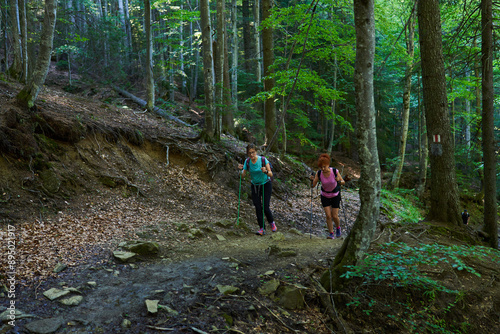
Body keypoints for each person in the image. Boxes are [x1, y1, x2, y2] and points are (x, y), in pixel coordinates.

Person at [238, 144, 276, 235]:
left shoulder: (263, 160)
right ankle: (262, 228)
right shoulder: (247, 162)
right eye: (249, 153)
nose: (251, 155)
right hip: (255, 186)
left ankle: (272, 223)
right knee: (258, 207)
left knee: (265, 207)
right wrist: (240, 170)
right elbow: (242, 176)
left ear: (256, 152)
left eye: (253, 152)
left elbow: (271, 174)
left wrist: (265, 171)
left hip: (266, 184)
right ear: (247, 153)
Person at [310, 153, 345, 239]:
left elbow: (343, 182)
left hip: (335, 195)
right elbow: (313, 185)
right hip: (325, 195)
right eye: (321, 167)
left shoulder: (334, 171)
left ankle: (338, 228)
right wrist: (311, 180)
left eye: (324, 167)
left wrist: (338, 181)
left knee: (335, 215)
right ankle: (331, 233)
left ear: (328, 165)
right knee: (328, 216)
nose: (323, 169)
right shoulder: (319, 173)